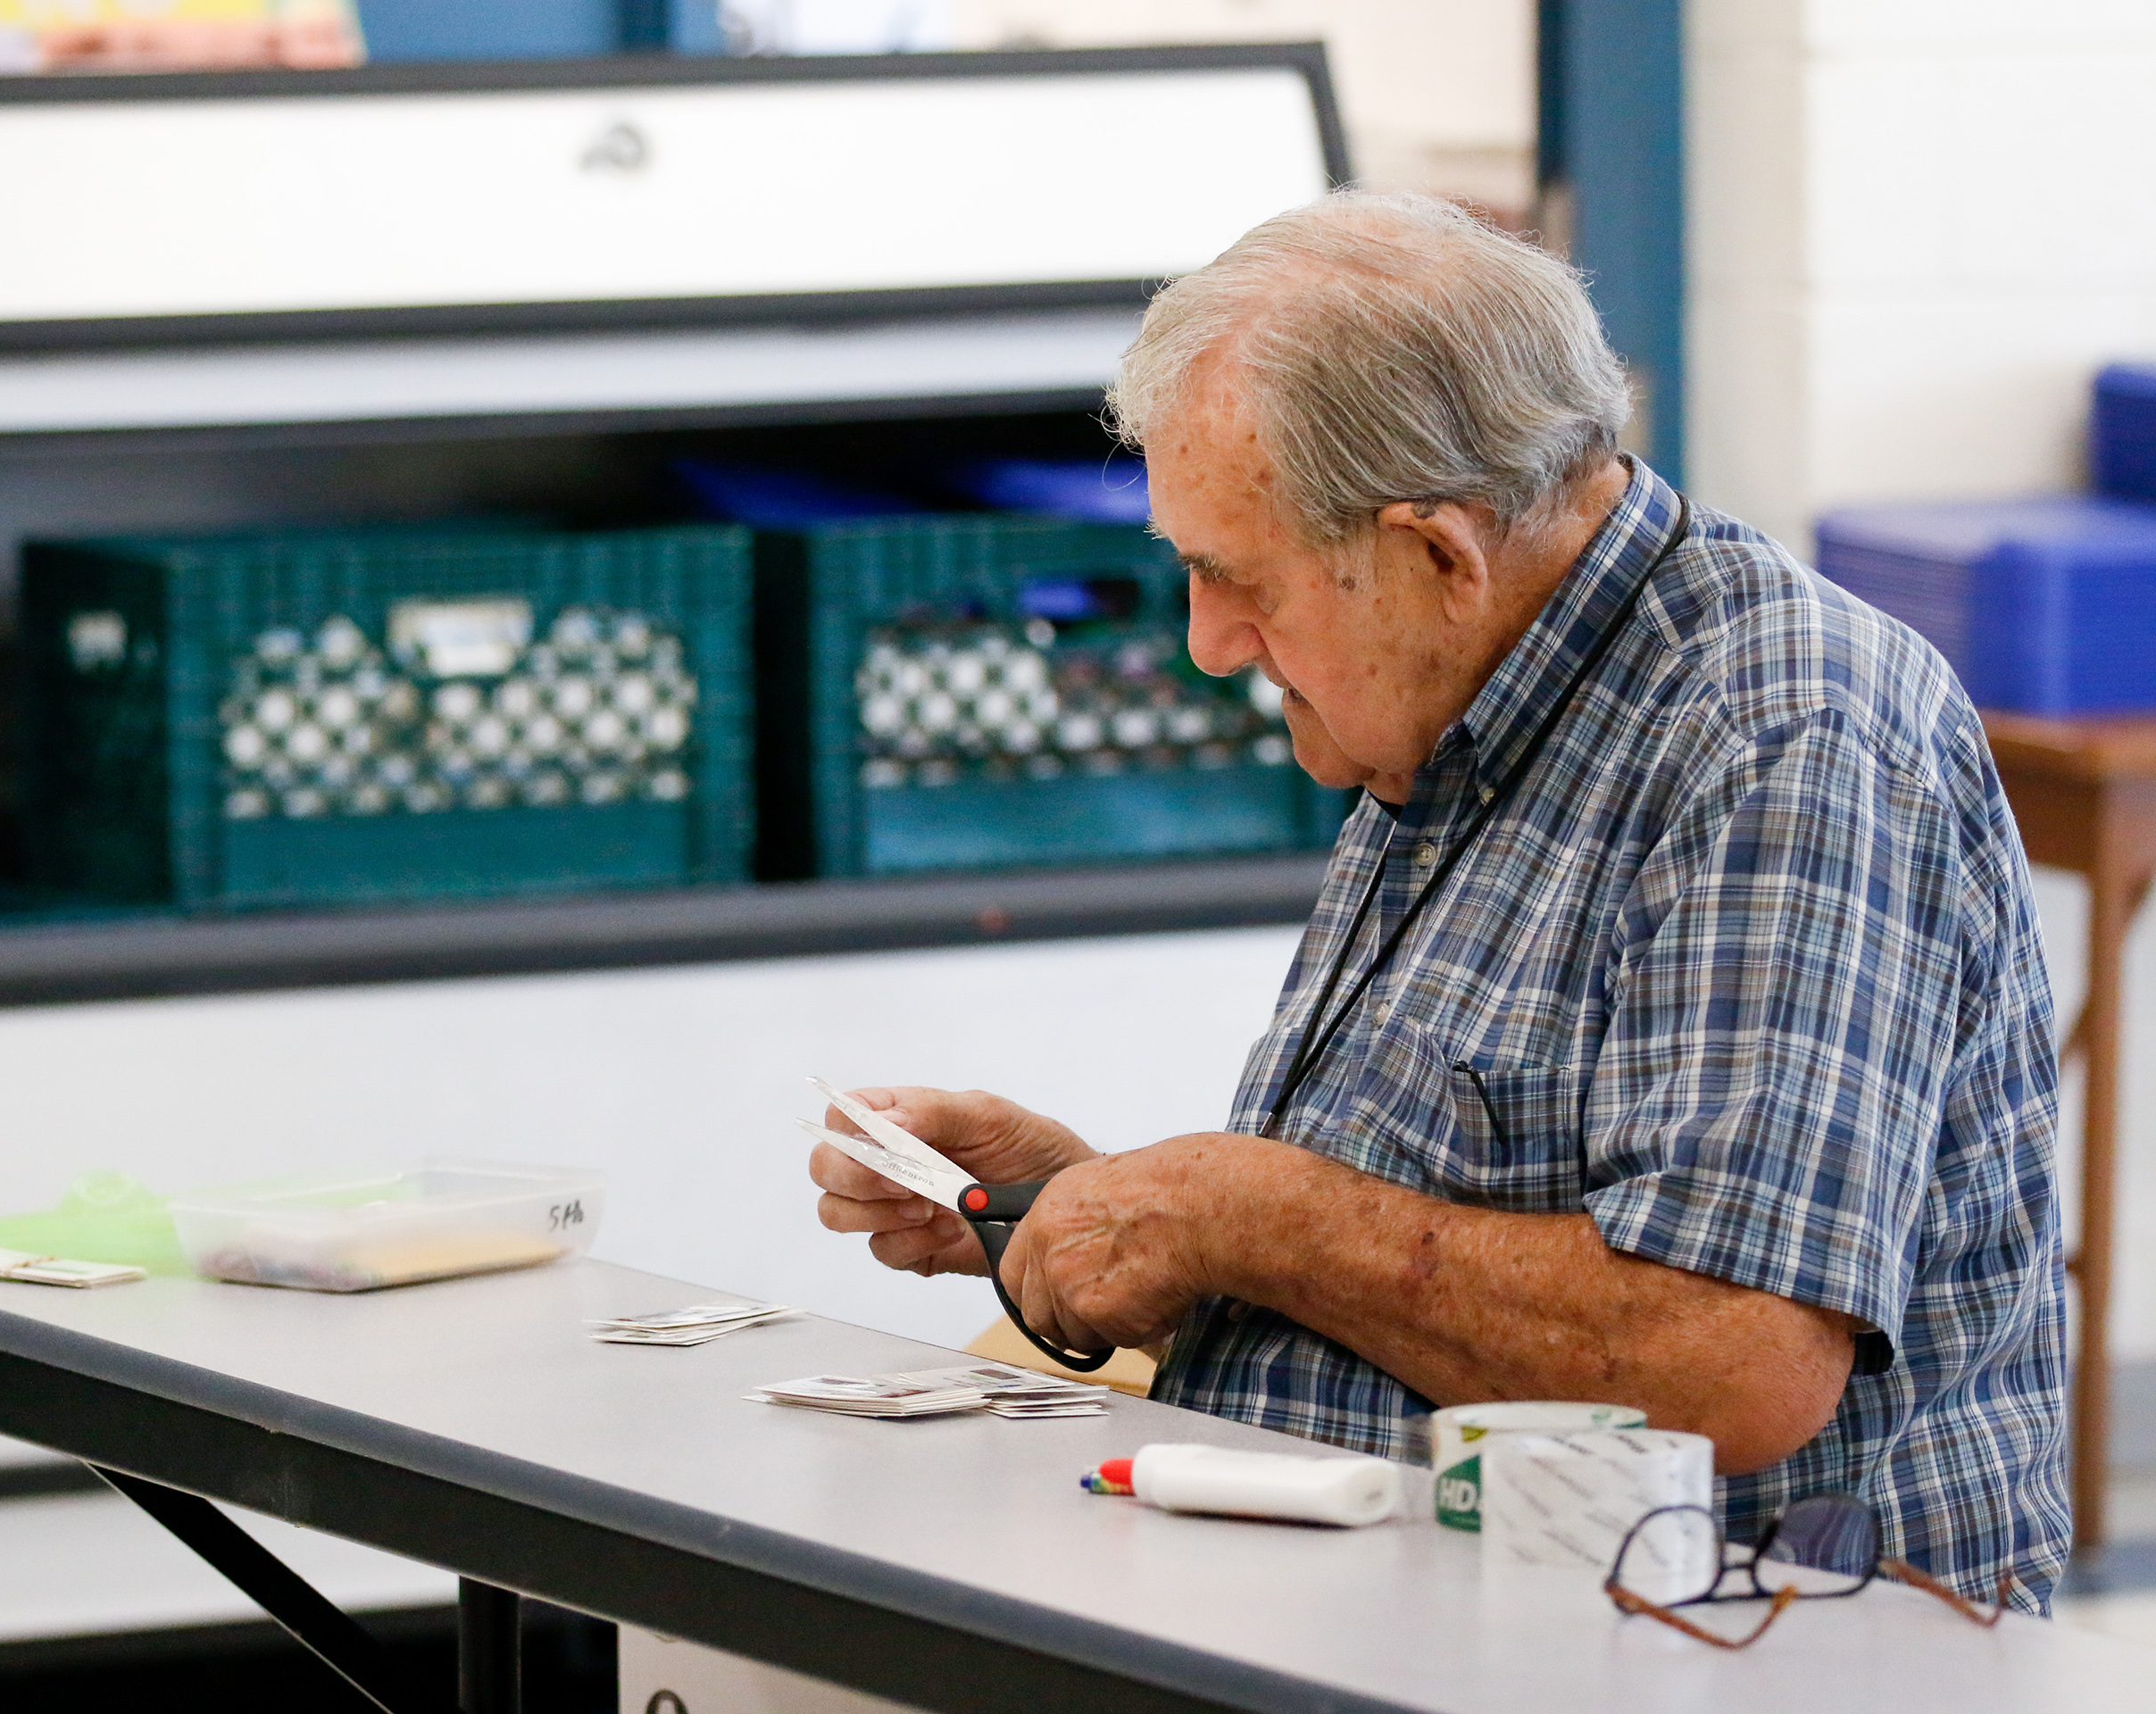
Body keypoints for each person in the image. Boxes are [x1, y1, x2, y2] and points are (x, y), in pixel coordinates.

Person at [805, 191, 2069, 1610]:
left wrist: (1242, 1210)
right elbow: (1417, 1263)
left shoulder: (1783, 739)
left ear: (1438, 557)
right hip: (1412, 1607)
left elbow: (1731, 1365)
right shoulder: (1444, 702)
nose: (1209, 645)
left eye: (1237, 582)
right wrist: (1087, 1210)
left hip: (1730, 1648)